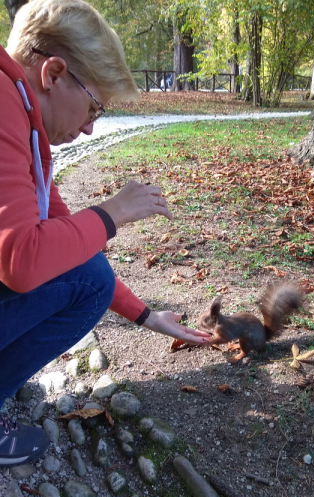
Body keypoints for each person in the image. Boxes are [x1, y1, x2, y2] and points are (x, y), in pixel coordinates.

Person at [0, 0, 211, 467]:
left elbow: (67, 252)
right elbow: (21, 260)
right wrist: (112, 212)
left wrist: (146, 316)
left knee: (88, 274)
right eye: (94, 106)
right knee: (89, 279)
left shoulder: (26, 123)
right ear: (52, 73)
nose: (92, 126)